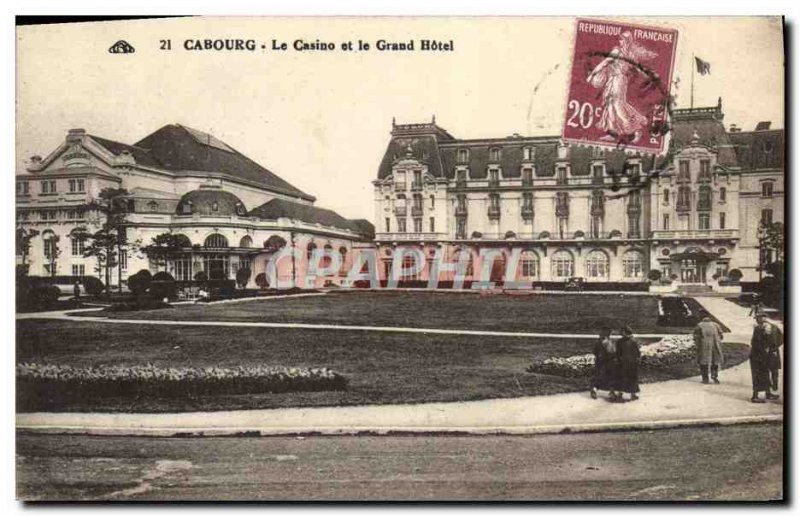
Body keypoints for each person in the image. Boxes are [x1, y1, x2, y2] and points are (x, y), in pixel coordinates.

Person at [586, 31, 658, 143]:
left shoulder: (618, 52)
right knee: (610, 105)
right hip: (616, 79)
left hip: (617, 79)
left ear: (626, 41)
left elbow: (604, 63)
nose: (619, 41)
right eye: (619, 39)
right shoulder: (629, 55)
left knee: (617, 104)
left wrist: (592, 75)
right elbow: (638, 69)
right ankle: (613, 132)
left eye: (621, 39)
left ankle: (636, 129)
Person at [750, 313, 783, 403]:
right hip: (761, 355)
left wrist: (770, 348)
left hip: (760, 355)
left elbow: (754, 342)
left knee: (762, 373)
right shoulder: (770, 327)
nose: (756, 320)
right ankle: (755, 396)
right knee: (761, 374)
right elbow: (780, 339)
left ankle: (764, 394)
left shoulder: (759, 328)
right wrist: (773, 348)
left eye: (757, 318)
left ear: (763, 318)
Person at [590, 327, 619, 400]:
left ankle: (594, 389)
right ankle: (612, 393)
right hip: (608, 362)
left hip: (599, 361)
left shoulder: (598, 342)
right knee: (611, 377)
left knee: (599, 376)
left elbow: (595, 352)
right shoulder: (608, 342)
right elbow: (612, 352)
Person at [693, 316, 725, 384]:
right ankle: (714, 377)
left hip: (704, 345)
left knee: (703, 361)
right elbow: (721, 335)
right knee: (715, 361)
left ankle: (705, 379)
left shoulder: (699, 325)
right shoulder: (715, 324)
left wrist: (697, 345)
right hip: (715, 345)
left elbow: (696, 336)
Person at [615, 325, 641, 401]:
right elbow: (637, 353)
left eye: (622, 331)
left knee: (626, 377)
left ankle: (624, 393)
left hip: (626, 363)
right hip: (628, 363)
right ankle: (627, 394)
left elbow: (618, 353)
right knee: (628, 378)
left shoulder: (625, 341)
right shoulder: (632, 341)